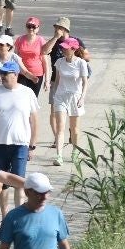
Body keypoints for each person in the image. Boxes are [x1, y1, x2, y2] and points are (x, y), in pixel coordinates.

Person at [0, 61, 40, 213]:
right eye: (1, 73)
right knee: (2, 182)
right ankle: (5, 217)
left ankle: (18, 216)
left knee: (19, 181)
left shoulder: (27, 92)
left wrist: (32, 145)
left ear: (16, 74)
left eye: (6, 73)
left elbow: (34, 120)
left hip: (21, 144)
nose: (3, 76)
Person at [49, 37, 89, 166]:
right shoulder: (59, 62)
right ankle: (59, 156)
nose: (63, 50)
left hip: (75, 97)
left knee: (74, 129)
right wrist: (54, 94)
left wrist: (82, 98)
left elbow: (85, 82)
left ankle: (75, 152)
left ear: (73, 49)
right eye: (63, 48)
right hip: (61, 97)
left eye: (66, 48)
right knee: (60, 128)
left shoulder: (81, 63)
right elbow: (57, 80)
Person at [42, 16, 92, 84]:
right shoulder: (54, 41)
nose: (56, 29)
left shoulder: (76, 41)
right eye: (55, 27)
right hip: (57, 80)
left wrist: (74, 55)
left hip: (73, 80)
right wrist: (55, 37)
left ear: (65, 29)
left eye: (59, 27)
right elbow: (44, 52)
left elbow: (88, 58)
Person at [15, 17, 50, 96]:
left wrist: (47, 81)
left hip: (37, 74)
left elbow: (45, 62)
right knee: (21, 97)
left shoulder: (41, 40)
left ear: (38, 28)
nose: (31, 29)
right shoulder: (20, 39)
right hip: (22, 73)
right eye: (29, 26)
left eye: (33, 27)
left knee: (33, 98)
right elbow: (15, 58)